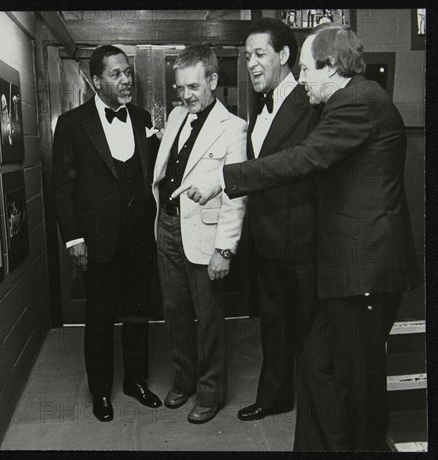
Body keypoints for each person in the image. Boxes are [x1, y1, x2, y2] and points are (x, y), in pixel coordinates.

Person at [175, 24, 422, 450]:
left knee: (357, 387)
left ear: (331, 66)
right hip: (349, 271)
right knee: (316, 366)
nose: (302, 79)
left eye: (307, 70)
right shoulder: (352, 101)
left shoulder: (357, 101)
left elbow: (306, 158)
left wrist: (223, 178)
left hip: (365, 271)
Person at [52, 45, 162, 422]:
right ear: (96, 82)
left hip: (140, 239)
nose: (126, 79)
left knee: (137, 312)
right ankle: (101, 391)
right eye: (116, 74)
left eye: (128, 72)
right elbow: (63, 189)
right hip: (97, 240)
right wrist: (73, 238)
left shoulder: (144, 118)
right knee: (99, 317)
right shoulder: (71, 124)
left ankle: (136, 380)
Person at [153, 45, 247, 424]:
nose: (186, 95)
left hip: (206, 237)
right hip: (167, 229)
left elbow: (237, 193)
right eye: (180, 88)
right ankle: (183, 380)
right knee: (175, 313)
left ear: (212, 80)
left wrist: (225, 249)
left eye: (193, 86)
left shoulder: (233, 127)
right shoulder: (176, 116)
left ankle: (209, 392)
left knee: (208, 319)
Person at [236, 18, 320, 423]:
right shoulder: (260, 105)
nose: (250, 63)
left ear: (284, 56)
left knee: (309, 331)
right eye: (247, 55)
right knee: (273, 325)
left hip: (302, 240)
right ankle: (275, 397)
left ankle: (317, 412)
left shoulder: (311, 102)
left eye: (259, 54)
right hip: (266, 239)